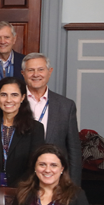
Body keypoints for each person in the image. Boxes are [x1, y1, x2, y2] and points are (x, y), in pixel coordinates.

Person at [21, 52, 82, 186]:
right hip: (21, 177)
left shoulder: (66, 106)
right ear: (23, 73)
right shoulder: (14, 102)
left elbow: (74, 149)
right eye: (30, 70)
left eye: (41, 69)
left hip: (56, 179)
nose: (36, 74)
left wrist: (74, 186)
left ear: (50, 72)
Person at [0, 77, 45, 196]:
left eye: (14, 95)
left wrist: (13, 194)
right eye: (4, 95)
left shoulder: (35, 128)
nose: (8, 100)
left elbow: (34, 165)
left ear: (22, 98)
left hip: (22, 193)